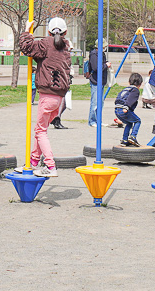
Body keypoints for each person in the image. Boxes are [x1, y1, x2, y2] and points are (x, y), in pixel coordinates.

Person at [17, 17, 72, 178]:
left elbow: (26, 47)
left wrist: (27, 31)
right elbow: (43, 56)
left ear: (48, 32)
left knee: (40, 131)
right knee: (41, 130)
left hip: (47, 95)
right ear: (65, 32)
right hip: (59, 99)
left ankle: (50, 165)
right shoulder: (66, 47)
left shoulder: (45, 44)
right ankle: (33, 161)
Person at [85, 40, 110, 127]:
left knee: (100, 102)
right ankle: (92, 120)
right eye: (103, 46)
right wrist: (106, 65)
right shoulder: (94, 54)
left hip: (102, 80)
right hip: (95, 80)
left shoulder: (102, 54)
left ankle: (98, 120)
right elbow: (96, 68)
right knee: (95, 102)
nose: (104, 48)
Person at [115, 73, 143, 147]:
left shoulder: (125, 89)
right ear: (140, 84)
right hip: (124, 109)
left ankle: (124, 140)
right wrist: (126, 107)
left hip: (117, 109)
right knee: (137, 121)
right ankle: (133, 137)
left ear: (129, 82)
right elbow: (131, 98)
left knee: (129, 123)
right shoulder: (135, 90)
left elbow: (119, 97)